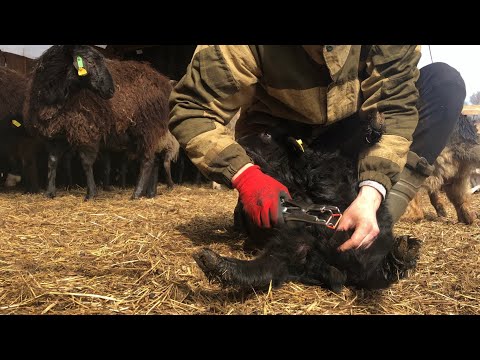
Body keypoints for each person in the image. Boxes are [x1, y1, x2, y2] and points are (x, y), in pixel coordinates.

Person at [168, 45, 466, 252]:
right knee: (273, 230)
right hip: (281, 138)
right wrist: (246, 177)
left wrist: (372, 194)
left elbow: (394, 107)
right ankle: (281, 208)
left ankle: (377, 217)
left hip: (352, 133)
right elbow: (191, 107)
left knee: (443, 84)